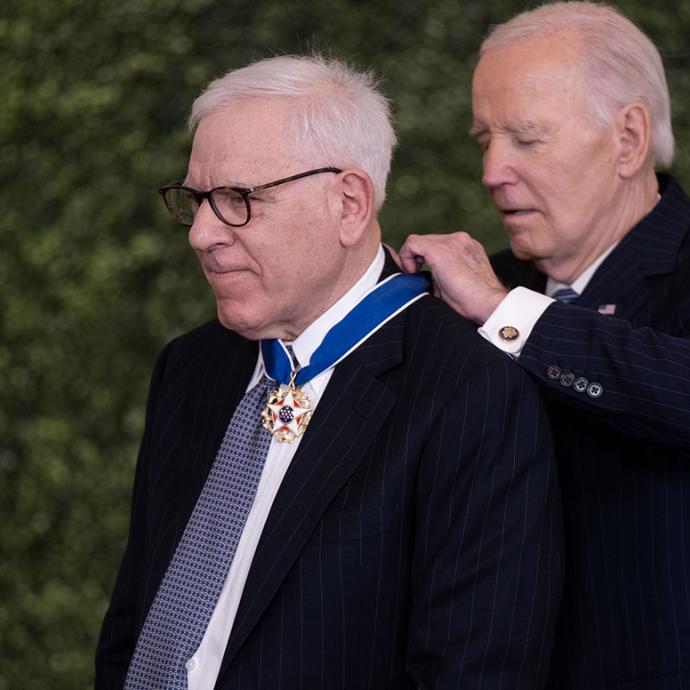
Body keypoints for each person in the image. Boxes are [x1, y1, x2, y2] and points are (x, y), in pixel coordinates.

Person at [95, 55, 561, 689]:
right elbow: (134, 623)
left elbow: (474, 674)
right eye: (198, 199)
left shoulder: (470, 392)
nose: (201, 233)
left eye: (237, 199)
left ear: (348, 203)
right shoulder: (191, 365)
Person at [400, 3, 690, 689]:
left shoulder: (493, 299)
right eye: (484, 140)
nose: (492, 170)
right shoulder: (472, 289)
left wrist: (506, 313)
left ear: (627, 139)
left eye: (526, 140)